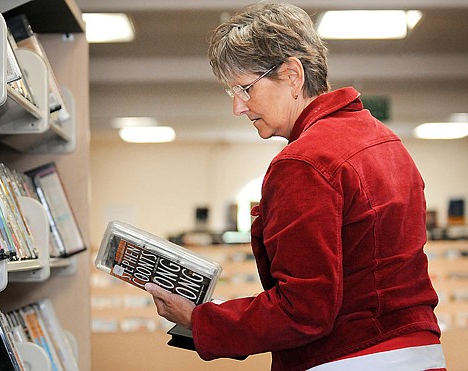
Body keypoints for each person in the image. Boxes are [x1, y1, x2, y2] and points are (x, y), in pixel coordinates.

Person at [144, 2, 447, 370]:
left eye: (244, 89)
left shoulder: (304, 162)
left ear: (291, 75)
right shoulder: (386, 142)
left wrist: (202, 320)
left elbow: (305, 309)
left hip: (349, 357)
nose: (238, 108)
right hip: (419, 354)